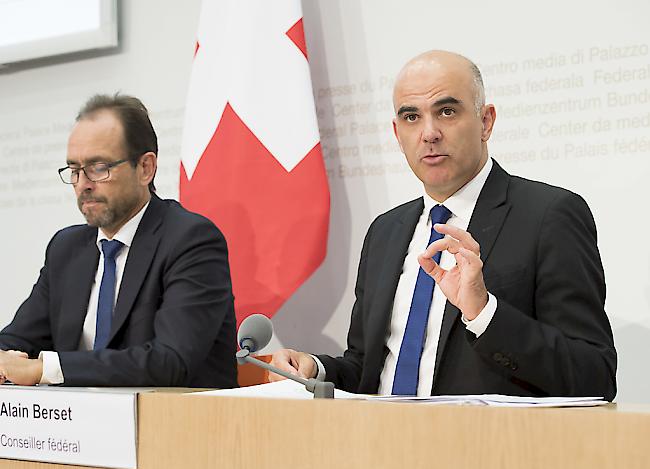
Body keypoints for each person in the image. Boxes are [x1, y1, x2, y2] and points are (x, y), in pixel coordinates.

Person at [269, 50, 617, 400]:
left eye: (447, 112)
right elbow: (369, 368)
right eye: (411, 117)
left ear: (486, 122)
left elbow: (594, 375)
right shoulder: (384, 232)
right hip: (382, 446)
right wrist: (316, 368)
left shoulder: (549, 216)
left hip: (486, 449)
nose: (429, 133)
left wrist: (483, 313)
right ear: (397, 133)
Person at [0, 94, 237, 387]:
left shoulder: (190, 240)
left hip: (176, 426)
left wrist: (46, 369)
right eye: (74, 170)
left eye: (99, 168)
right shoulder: (66, 248)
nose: (83, 184)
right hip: (75, 429)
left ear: (145, 168)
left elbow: (171, 361)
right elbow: (18, 340)